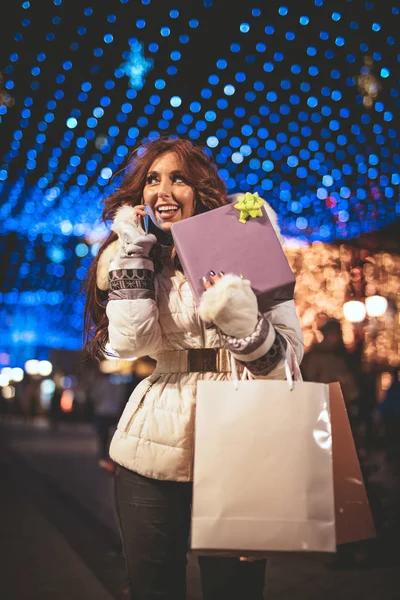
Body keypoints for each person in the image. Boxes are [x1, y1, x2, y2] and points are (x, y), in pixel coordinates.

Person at [84, 137, 304, 600]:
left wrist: (239, 319)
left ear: (200, 188)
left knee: (236, 589)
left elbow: (286, 360)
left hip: (240, 435)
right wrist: (134, 257)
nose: (162, 191)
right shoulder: (137, 256)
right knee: (152, 586)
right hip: (151, 441)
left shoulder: (250, 243)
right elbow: (131, 343)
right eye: (152, 180)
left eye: (177, 178)